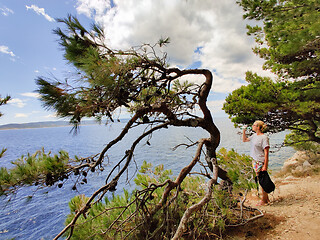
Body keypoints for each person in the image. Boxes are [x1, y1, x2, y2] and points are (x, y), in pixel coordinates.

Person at [243, 120, 270, 205]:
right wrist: (244, 131)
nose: (252, 126)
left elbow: (266, 152)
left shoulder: (264, 138)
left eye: (254, 125)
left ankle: (263, 200)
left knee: (262, 181)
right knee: (261, 179)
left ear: (258, 127)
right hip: (255, 160)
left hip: (260, 161)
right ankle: (266, 198)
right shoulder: (254, 136)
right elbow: (245, 140)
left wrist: (265, 165)